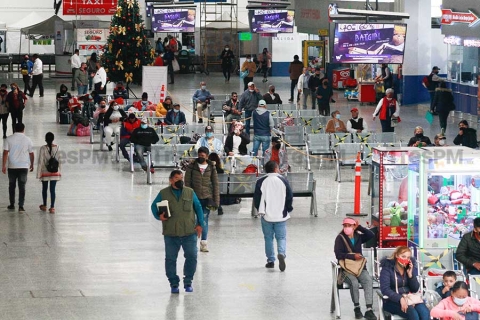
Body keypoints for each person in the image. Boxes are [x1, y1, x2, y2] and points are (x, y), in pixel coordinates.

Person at [150, 169, 204, 293]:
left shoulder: (190, 192)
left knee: (192, 256)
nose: (180, 181)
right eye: (177, 179)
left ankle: (188, 281)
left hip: (189, 232)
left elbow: (198, 208)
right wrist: (159, 216)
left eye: (181, 179)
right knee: (170, 259)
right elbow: (154, 206)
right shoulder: (163, 193)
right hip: (171, 233)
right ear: (171, 180)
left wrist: (200, 223)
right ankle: (173, 283)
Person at [253, 160, 293, 271]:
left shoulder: (261, 181)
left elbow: (256, 198)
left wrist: (259, 209)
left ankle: (270, 260)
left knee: (268, 238)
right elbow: (289, 196)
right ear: (276, 168)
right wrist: (288, 209)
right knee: (281, 237)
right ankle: (281, 253)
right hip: (281, 214)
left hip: (266, 215)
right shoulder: (283, 180)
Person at [334, 217, 376, 320]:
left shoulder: (358, 236)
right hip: (347, 269)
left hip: (360, 267)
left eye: (349, 226)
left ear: (354, 227)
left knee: (368, 280)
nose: (347, 228)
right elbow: (338, 254)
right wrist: (353, 256)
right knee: (354, 283)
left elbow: (371, 235)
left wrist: (360, 227)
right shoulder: (340, 238)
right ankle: (357, 308)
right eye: (345, 226)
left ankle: (369, 309)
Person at [184, 146, 220, 253]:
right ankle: (193, 242)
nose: (201, 157)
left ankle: (204, 243)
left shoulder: (211, 167)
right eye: (199, 155)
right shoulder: (191, 166)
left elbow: (215, 184)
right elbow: (187, 183)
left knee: (204, 220)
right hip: (195, 198)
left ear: (207, 156)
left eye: (203, 155)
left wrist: (216, 201)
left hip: (207, 198)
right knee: (195, 220)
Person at [379, 246, 430, 320]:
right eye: (403, 256)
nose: (406, 259)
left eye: (408, 257)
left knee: (424, 313)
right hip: (392, 300)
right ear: (396, 255)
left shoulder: (409, 268)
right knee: (413, 314)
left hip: (409, 298)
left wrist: (410, 276)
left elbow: (415, 289)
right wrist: (400, 298)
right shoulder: (387, 269)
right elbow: (385, 289)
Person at [2, 123, 34, 212]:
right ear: (23, 129)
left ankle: (12, 204)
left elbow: (5, 153)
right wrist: (31, 164)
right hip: (23, 166)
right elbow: (31, 153)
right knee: (22, 186)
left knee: (11, 186)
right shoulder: (28, 140)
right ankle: (21, 206)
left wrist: (3, 165)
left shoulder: (9, 139)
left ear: (14, 129)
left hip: (12, 166)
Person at [37, 132, 61, 214]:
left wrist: (38, 173)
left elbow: (40, 161)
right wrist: (60, 172)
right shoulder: (58, 148)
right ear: (53, 139)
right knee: (52, 190)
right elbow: (60, 161)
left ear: (46, 139)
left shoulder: (43, 148)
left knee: (44, 189)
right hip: (55, 172)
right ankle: (52, 207)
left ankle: (44, 205)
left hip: (45, 172)